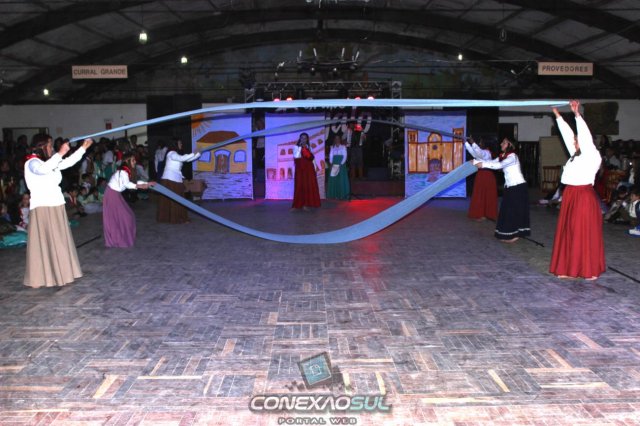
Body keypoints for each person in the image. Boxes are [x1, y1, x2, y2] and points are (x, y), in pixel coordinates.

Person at [23, 134, 93, 288]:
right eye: (50, 145)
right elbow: (42, 170)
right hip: (43, 208)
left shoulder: (49, 162)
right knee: (49, 243)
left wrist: (83, 148)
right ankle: (47, 276)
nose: (52, 148)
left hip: (55, 205)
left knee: (60, 240)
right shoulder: (32, 162)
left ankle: (63, 272)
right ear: (42, 146)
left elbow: (68, 162)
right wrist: (60, 152)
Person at [549, 100, 605, 280]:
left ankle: (589, 270)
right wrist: (557, 115)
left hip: (583, 197)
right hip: (571, 196)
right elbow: (568, 136)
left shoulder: (591, 155)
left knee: (583, 232)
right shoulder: (576, 155)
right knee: (570, 231)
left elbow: (585, 137)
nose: (574, 142)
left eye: (577, 140)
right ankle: (570, 268)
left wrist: (577, 115)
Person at [474, 138, 530, 243]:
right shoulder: (502, 156)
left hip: (518, 187)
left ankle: (515, 235)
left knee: (513, 211)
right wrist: (476, 162)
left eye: (504, 143)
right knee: (507, 211)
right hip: (510, 187)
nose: (501, 144)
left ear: (510, 145)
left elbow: (500, 165)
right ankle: (508, 234)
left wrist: (482, 165)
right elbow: (491, 162)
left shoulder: (512, 157)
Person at [103, 153, 153, 247]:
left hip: (115, 193)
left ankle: (121, 238)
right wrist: (140, 186)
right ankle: (119, 239)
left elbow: (133, 182)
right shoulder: (123, 171)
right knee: (125, 217)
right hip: (112, 194)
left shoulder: (127, 170)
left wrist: (147, 183)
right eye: (133, 160)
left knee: (126, 216)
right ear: (127, 161)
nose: (135, 162)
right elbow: (127, 184)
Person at [156, 139, 200, 223]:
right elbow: (182, 158)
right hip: (169, 180)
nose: (181, 144)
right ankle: (173, 218)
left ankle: (176, 217)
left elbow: (187, 159)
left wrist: (198, 154)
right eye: (180, 143)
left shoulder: (176, 154)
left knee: (178, 200)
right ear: (175, 144)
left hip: (175, 179)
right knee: (174, 200)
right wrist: (194, 153)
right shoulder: (171, 153)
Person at [464, 138, 498, 221]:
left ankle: (486, 214)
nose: (479, 144)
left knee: (485, 195)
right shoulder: (481, 153)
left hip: (487, 175)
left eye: (480, 142)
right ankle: (481, 213)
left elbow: (479, 153)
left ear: (485, 144)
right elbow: (474, 153)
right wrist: (466, 143)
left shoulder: (487, 153)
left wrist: (473, 143)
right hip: (481, 175)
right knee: (480, 194)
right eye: (478, 143)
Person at [291, 132, 321, 210]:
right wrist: (301, 147)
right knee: (299, 186)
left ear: (307, 139)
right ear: (300, 139)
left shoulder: (309, 147)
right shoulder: (296, 147)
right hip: (300, 170)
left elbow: (312, 159)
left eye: (305, 138)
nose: (303, 140)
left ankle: (306, 204)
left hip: (309, 169)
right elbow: (296, 156)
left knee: (307, 186)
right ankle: (297, 205)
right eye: (302, 138)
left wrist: (315, 167)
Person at [327, 134, 350, 200]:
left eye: (338, 138)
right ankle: (333, 195)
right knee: (334, 179)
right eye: (336, 138)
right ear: (334, 140)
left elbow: (345, 156)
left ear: (340, 139)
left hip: (341, 164)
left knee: (341, 179)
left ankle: (342, 195)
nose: (337, 140)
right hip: (334, 164)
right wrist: (331, 163)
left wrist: (341, 164)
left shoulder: (343, 147)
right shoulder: (332, 147)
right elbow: (331, 155)